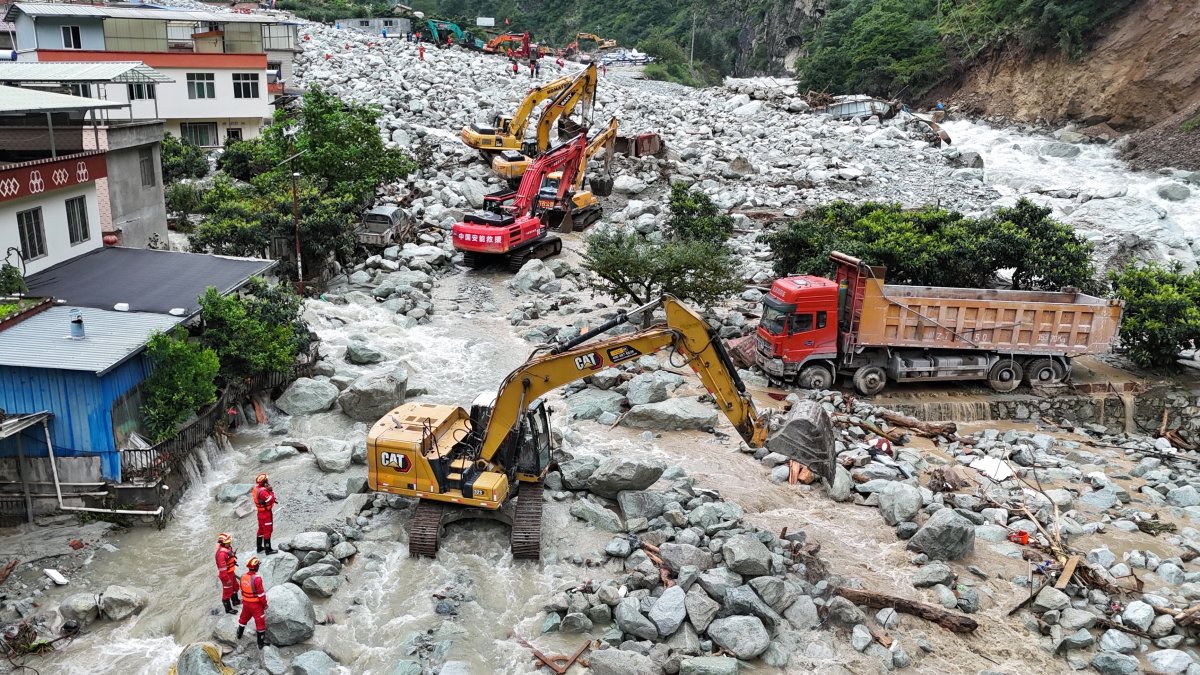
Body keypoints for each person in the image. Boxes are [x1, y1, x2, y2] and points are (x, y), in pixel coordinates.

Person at [235, 557, 268, 649]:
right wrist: (265, 604)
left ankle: (239, 634)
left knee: (243, 619)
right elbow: (261, 595)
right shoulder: (257, 579)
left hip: (246, 603)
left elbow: (242, 590)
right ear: (256, 567)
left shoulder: (242, 577)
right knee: (260, 623)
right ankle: (261, 644)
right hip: (256, 605)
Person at [215, 533, 239, 615]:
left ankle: (235, 601)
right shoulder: (221, 554)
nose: (230, 543)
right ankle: (228, 609)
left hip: (230, 572)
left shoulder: (227, 548)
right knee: (227, 592)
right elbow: (222, 570)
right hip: (226, 575)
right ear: (223, 543)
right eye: (228, 542)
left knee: (235, 587)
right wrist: (227, 579)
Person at [253, 473, 276, 554]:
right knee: (268, 531)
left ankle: (259, 548)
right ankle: (268, 549)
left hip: (260, 513)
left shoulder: (256, 488)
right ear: (264, 481)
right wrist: (271, 491)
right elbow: (271, 499)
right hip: (266, 514)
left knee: (261, 530)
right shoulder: (263, 492)